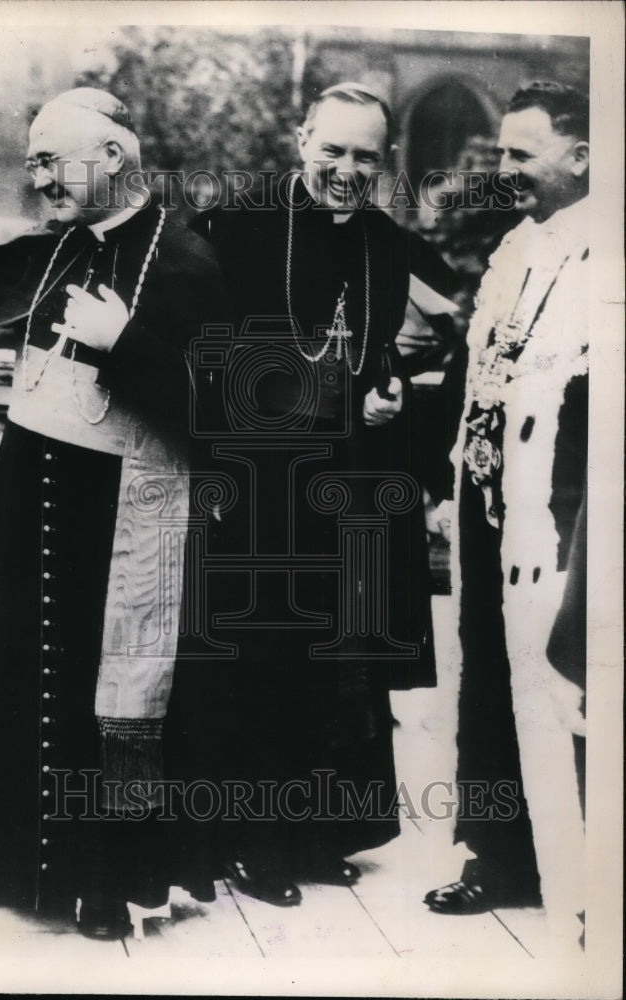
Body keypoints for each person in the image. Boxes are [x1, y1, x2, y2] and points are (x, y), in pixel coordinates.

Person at [0, 88, 228, 939]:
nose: (39, 176)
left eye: (54, 159)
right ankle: (9, 857)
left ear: (114, 157)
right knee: (12, 665)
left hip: (116, 509)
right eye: (35, 161)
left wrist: (128, 344)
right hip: (27, 489)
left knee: (100, 690)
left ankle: (105, 881)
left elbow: (227, 410)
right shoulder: (60, 249)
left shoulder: (191, 260)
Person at [172, 82, 454, 906]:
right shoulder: (235, 225)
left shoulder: (387, 244)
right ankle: (254, 841)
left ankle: (322, 831)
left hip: (347, 486)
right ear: (302, 139)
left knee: (339, 668)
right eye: (332, 150)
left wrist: (385, 390)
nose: (346, 170)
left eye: (366, 156)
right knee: (264, 663)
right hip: (255, 484)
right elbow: (195, 350)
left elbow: (377, 353)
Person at [424, 82, 589, 945]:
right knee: (486, 680)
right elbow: (475, 370)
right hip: (490, 507)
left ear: (583, 156)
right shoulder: (519, 249)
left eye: (522, 154)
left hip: (569, 522)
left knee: (564, 687)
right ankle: (498, 855)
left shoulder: (611, 258)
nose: (504, 170)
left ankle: (579, 866)